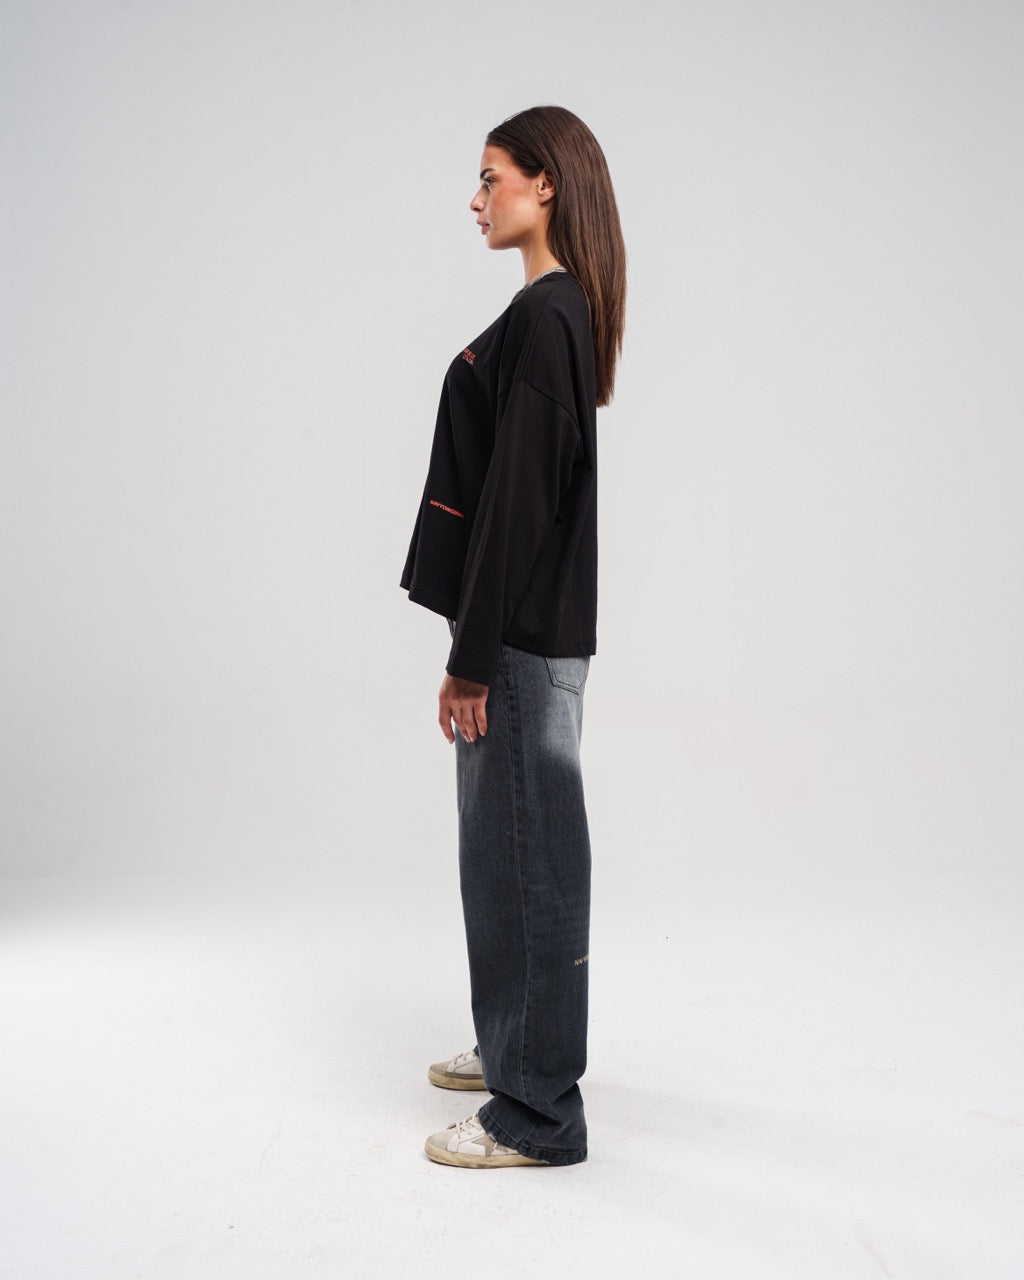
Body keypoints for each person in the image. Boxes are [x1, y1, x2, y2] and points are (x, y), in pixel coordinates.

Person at [399, 104, 627, 1168]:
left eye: (490, 176)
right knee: (499, 857)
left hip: (520, 641)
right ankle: (514, 1047)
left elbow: (518, 503)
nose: (476, 198)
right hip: (519, 636)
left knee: (531, 861)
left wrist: (471, 657)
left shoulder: (548, 314)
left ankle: (537, 1112)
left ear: (546, 185)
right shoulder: (548, 311)